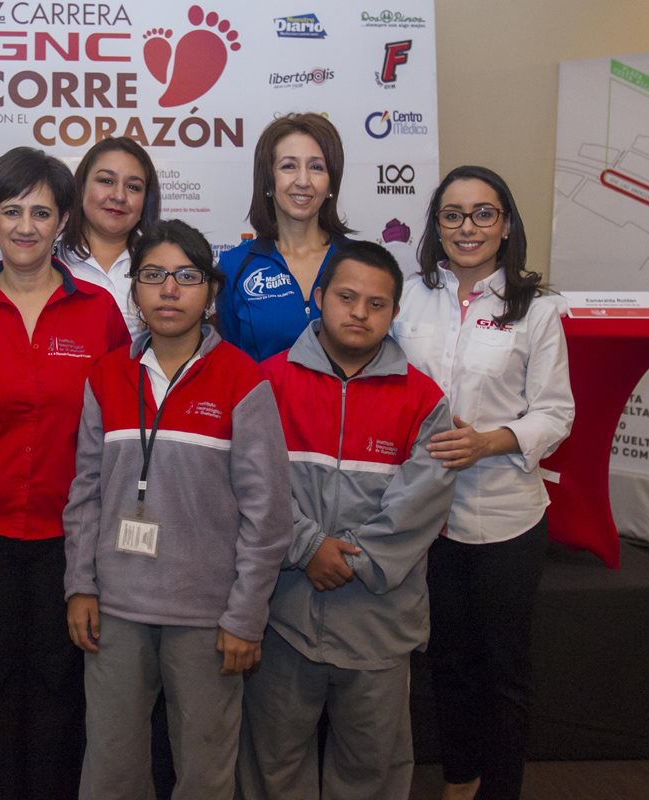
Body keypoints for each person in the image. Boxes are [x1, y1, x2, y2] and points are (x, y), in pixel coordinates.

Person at [0, 146, 131, 800]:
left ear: (63, 219)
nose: (27, 226)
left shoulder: (98, 313)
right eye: (12, 210)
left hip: (68, 538)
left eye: (42, 211)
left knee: (58, 686)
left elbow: (121, 433)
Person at [63, 219, 293, 800]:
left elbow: (268, 514)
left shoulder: (244, 380)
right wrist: (79, 586)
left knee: (205, 769)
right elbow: (84, 493)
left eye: (186, 276)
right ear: (136, 290)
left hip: (208, 616)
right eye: (154, 275)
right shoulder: (105, 375)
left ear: (210, 292)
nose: (170, 289)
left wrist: (245, 615)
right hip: (115, 608)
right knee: (111, 767)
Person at [238, 241, 456, 800]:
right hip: (284, 616)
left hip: (378, 624)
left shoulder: (424, 399)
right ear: (318, 298)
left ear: (394, 313)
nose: (360, 312)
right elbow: (250, 483)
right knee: (273, 767)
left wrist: (350, 556)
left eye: (377, 303)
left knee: (371, 773)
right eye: (347, 297)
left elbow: (423, 500)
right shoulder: (266, 381)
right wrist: (309, 547)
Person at [392, 166, 574, 800]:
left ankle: (500, 790)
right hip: (421, 517)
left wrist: (491, 441)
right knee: (446, 664)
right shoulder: (409, 297)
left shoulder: (538, 308)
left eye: (482, 214)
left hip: (504, 516)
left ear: (506, 225)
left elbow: (556, 412)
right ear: (436, 226)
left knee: (503, 672)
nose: (467, 227)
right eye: (452, 215)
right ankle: (459, 782)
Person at [216, 113, 355, 362]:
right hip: (262, 401)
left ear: (332, 184)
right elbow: (232, 364)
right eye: (288, 166)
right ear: (268, 181)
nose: (303, 181)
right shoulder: (235, 266)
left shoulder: (359, 262)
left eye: (316, 167)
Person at [57, 136, 162, 334]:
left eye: (133, 187)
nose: (119, 196)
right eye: (106, 181)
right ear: (80, 188)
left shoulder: (162, 265)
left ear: (146, 200)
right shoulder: (47, 258)